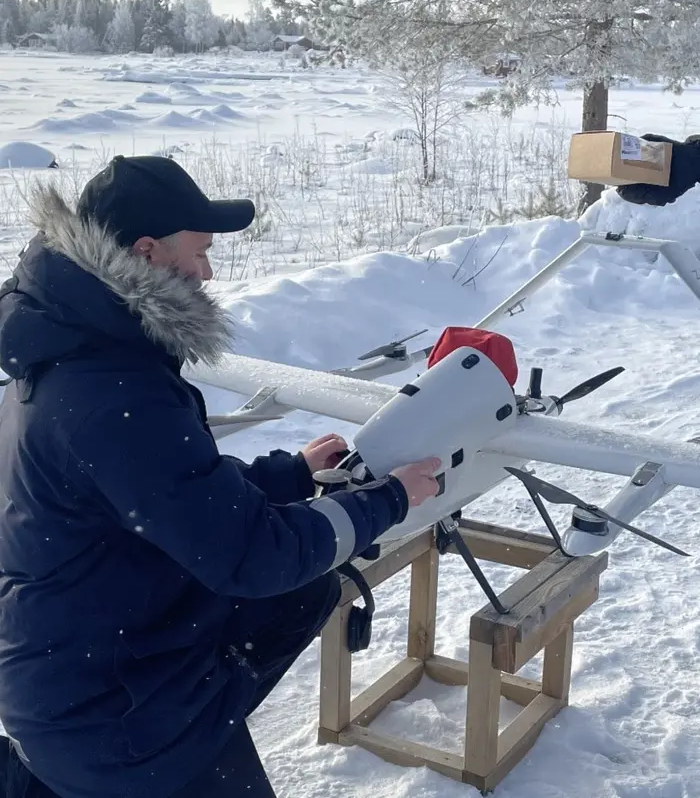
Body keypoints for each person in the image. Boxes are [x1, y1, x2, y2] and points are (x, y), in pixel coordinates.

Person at [0, 156, 441, 798]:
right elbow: (253, 555)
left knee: (300, 592)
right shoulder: (112, 387)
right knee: (289, 582)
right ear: (147, 252)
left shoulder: (76, 347)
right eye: (201, 250)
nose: (208, 271)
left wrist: (289, 475)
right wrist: (391, 500)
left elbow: (165, 492)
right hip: (117, 721)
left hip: (85, 680)